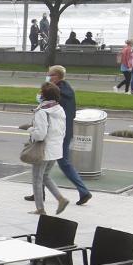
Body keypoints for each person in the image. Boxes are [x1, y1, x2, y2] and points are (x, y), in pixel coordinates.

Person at [34, 65, 91, 206]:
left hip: (55, 134)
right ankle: (39, 192)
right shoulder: (67, 90)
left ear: (57, 76)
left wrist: (41, 101)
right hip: (64, 131)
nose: (48, 76)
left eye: (50, 74)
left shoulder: (57, 93)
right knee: (53, 163)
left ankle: (83, 191)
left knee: (59, 162)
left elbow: (48, 110)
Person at [26, 81, 69, 215]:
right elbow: (62, 131)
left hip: (43, 151)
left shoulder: (42, 112)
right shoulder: (59, 109)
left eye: (40, 92)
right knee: (44, 176)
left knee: (37, 179)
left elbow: (40, 135)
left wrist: (30, 129)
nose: (39, 94)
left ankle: (40, 209)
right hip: (56, 150)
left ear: (44, 96)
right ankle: (60, 199)